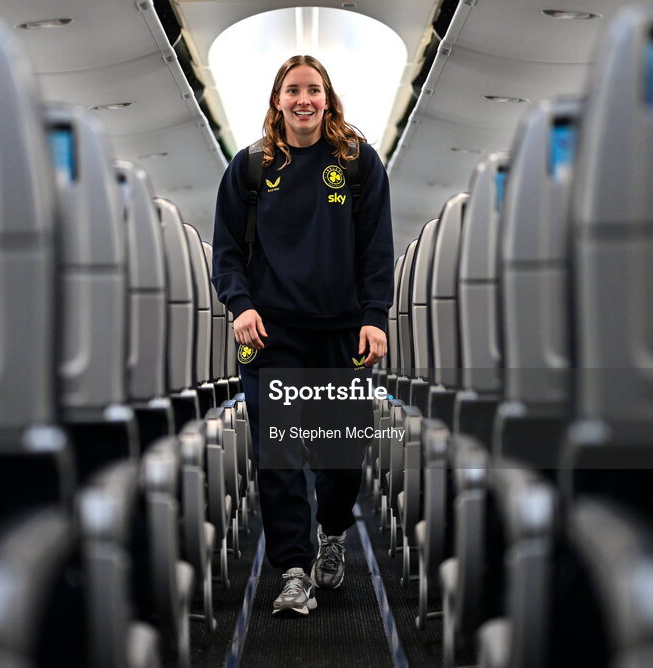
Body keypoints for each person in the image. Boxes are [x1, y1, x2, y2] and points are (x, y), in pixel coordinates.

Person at [211, 55, 394, 617]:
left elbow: (376, 249)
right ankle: (293, 569)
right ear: (277, 100)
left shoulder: (358, 164)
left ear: (328, 98)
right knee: (280, 457)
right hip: (268, 333)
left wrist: (374, 316)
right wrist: (239, 306)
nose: (303, 100)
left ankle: (332, 536)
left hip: (341, 330)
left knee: (339, 455)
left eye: (313, 90)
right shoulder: (250, 167)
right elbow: (227, 251)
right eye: (293, 91)